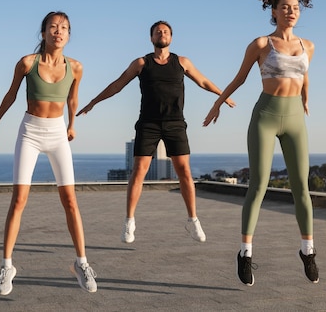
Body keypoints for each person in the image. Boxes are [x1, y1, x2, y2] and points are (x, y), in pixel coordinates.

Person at [203, 0, 319, 285]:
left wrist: (305, 101)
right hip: (266, 115)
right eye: (285, 6)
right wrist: (218, 103)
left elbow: (304, 77)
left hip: (295, 118)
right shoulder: (261, 44)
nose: (291, 11)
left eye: (295, 7)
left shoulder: (308, 46)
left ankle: (308, 251)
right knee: (258, 186)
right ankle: (245, 253)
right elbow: (240, 78)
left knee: (301, 188)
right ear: (274, 10)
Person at [77, 20, 234, 244]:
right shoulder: (141, 63)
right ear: (151, 38)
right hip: (148, 123)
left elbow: (203, 81)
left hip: (175, 123)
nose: (162, 33)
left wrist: (223, 96)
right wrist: (94, 102)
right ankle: (129, 221)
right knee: (139, 171)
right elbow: (117, 84)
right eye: (158, 31)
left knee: (185, 173)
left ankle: (193, 219)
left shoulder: (182, 62)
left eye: (166, 31)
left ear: (171, 37)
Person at [0, 11, 97, 295]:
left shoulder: (76, 67)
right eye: (53, 27)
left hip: (57, 133)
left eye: (64, 28)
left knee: (70, 200)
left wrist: (72, 125)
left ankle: (81, 263)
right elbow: (11, 94)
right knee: (19, 199)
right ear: (44, 32)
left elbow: (72, 98)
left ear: (69, 35)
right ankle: (7, 265)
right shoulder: (27, 63)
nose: (58, 32)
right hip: (30, 132)